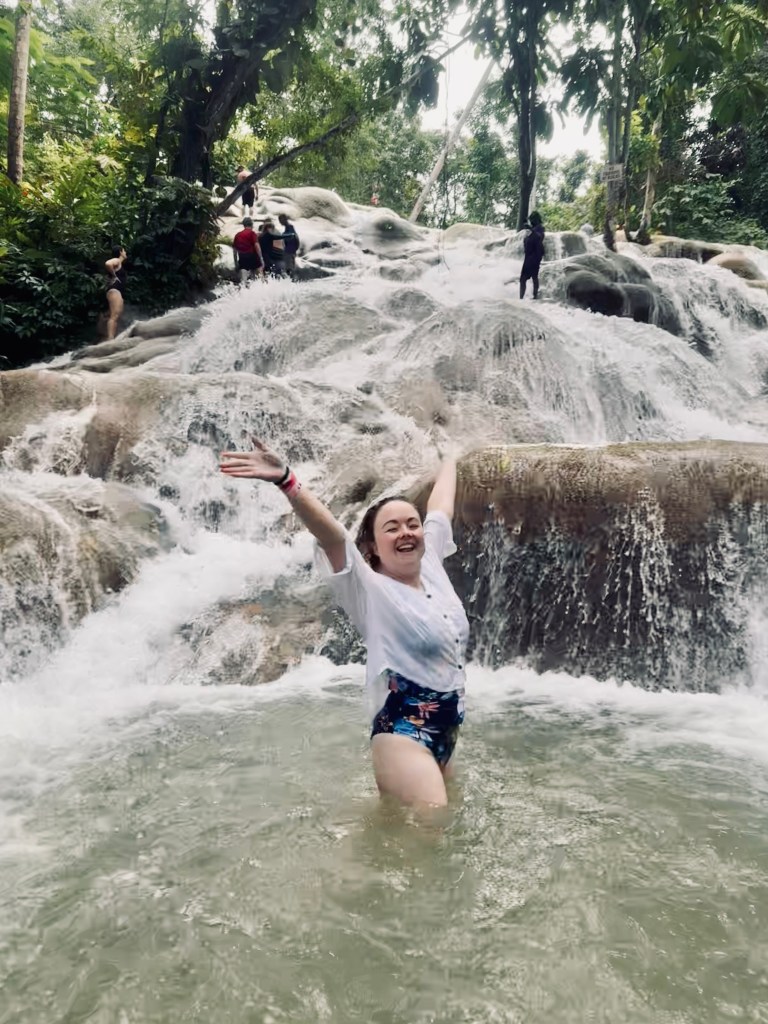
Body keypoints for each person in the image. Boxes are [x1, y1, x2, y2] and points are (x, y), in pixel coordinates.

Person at [219, 439, 469, 812]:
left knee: (412, 842)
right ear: (372, 546)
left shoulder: (431, 562)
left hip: (448, 727)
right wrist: (287, 480)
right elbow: (333, 535)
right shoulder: (368, 588)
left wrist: (452, 455)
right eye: (392, 528)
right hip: (403, 733)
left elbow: (440, 506)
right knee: (432, 835)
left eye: (411, 524)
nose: (406, 532)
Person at [520, 210, 545, 300]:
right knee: (523, 279)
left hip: (535, 256)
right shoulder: (533, 229)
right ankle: (521, 298)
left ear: (536, 220)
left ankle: (535, 297)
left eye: (532, 220)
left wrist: (530, 229)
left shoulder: (540, 228)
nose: (532, 222)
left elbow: (539, 237)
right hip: (529, 255)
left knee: (533, 277)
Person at [105, 245, 127, 340]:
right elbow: (108, 263)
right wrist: (114, 275)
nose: (126, 253)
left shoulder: (119, 264)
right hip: (114, 291)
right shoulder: (116, 260)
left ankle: (111, 337)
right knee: (114, 316)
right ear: (121, 252)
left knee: (115, 316)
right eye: (124, 251)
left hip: (116, 292)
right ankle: (110, 339)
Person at [232, 217, 264, 284]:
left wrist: (235, 262)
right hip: (252, 256)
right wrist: (261, 258)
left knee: (244, 279)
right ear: (252, 224)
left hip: (242, 257)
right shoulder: (252, 233)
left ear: (243, 225)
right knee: (258, 276)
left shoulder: (237, 235)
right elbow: (257, 246)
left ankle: (244, 290)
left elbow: (234, 250)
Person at [277, 213, 300, 277]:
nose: (280, 222)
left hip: (289, 251)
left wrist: (283, 235)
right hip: (290, 251)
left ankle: (292, 283)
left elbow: (292, 237)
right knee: (289, 268)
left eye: (280, 220)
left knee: (289, 269)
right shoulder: (288, 228)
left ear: (284, 219)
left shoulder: (290, 227)